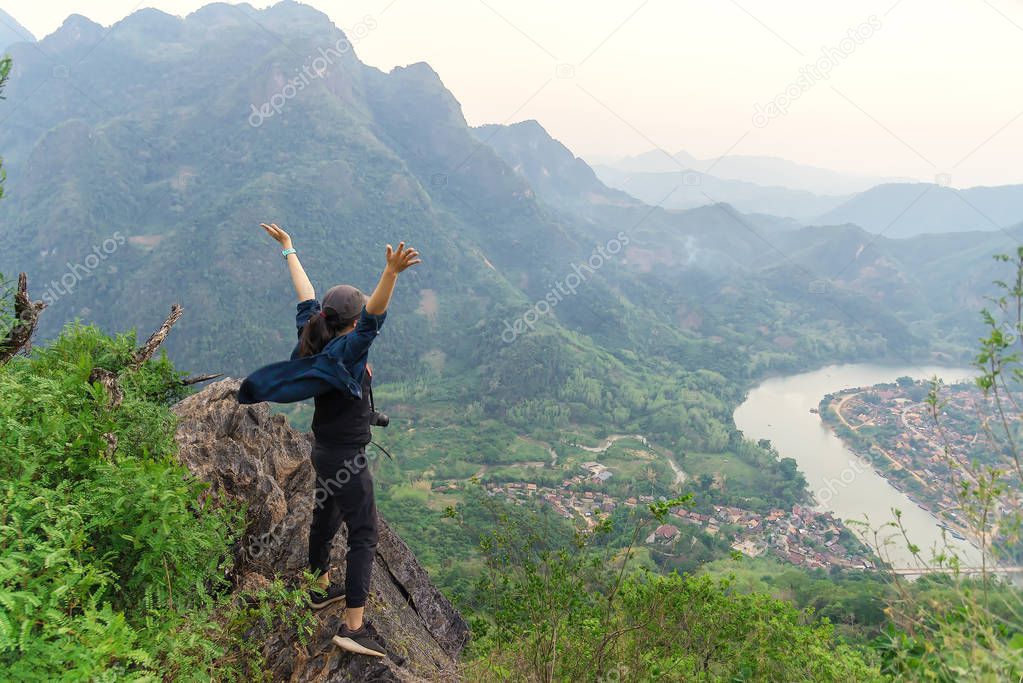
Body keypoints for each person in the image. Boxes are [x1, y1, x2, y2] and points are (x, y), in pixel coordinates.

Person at [239, 222, 421, 658]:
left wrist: (288, 249)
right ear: (352, 323)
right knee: (364, 534)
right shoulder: (347, 351)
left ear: (327, 315)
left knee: (326, 514)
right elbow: (373, 320)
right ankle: (353, 627)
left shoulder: (313, 334)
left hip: (323, 450)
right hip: (346, 457)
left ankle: (318, 586)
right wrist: (391, 274)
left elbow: (305, 294)